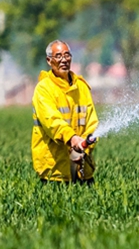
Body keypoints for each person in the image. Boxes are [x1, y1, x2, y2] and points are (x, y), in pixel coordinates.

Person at [31, 40, 99, 184]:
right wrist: (73, 139)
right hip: (55, 171)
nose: (64, 60)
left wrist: (84, 147)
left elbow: (92, 123)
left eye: (67, 55)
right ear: (49, 61)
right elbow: (52, 122)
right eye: (58, 56)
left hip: (83, 170)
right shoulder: (43, 89)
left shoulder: (82, 87)